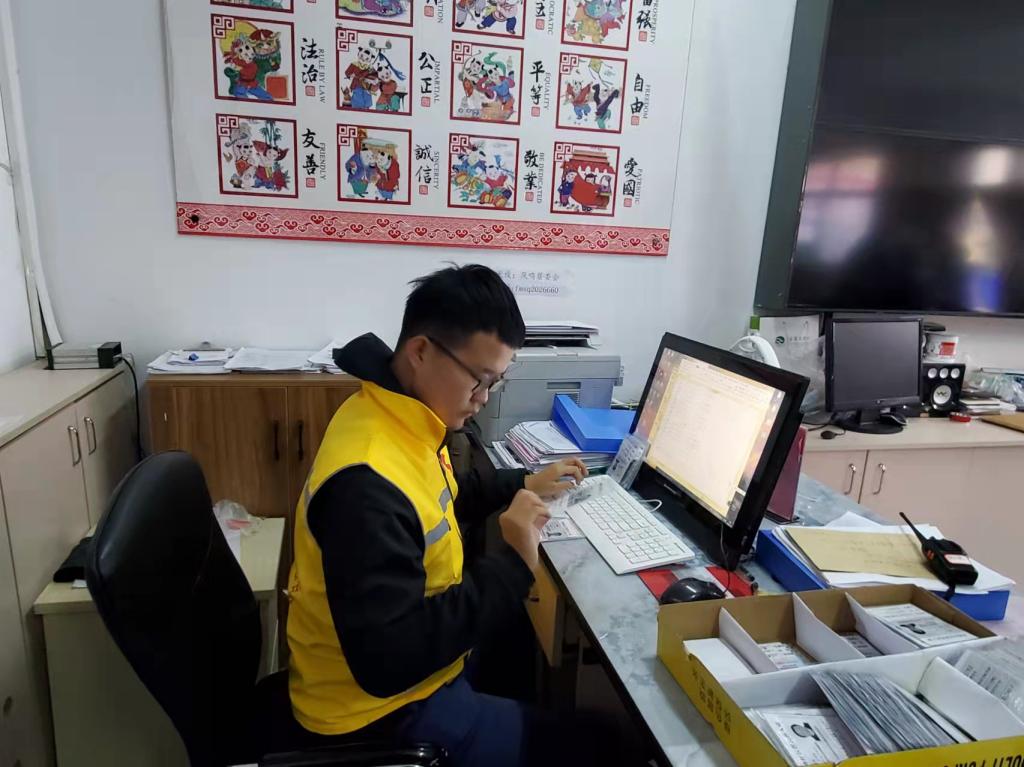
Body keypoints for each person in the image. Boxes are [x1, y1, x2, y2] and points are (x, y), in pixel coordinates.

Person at [287, 264, 622, 766]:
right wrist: (514, 562)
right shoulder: (365, 484)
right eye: (479, 381)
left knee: (524, 653)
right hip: (381, 714)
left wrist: (521, 483)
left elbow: (435, 499)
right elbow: (388, 663)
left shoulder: (392, 412)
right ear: (421, 351)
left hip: (409, 669)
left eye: (496, 383)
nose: (483, 400)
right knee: (604, 746)